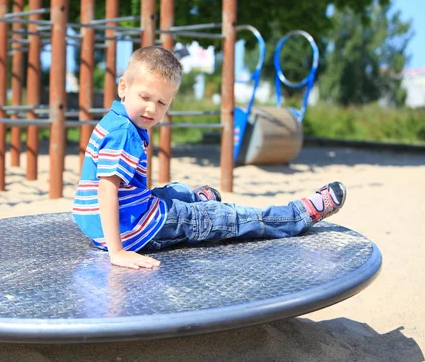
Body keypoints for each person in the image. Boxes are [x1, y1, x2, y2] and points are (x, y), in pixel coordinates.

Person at [73, 46, 346, 270]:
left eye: (161, 103)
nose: (151, 108)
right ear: (123, 87)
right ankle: (297, 215)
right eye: (145, 96)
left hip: (108, 221)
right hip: (133, 229)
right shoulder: (124, 134)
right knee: (224, 217)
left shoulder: (117, 120)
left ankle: (193, 197)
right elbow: (106, 189)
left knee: (173, 191)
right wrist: (118, 251)